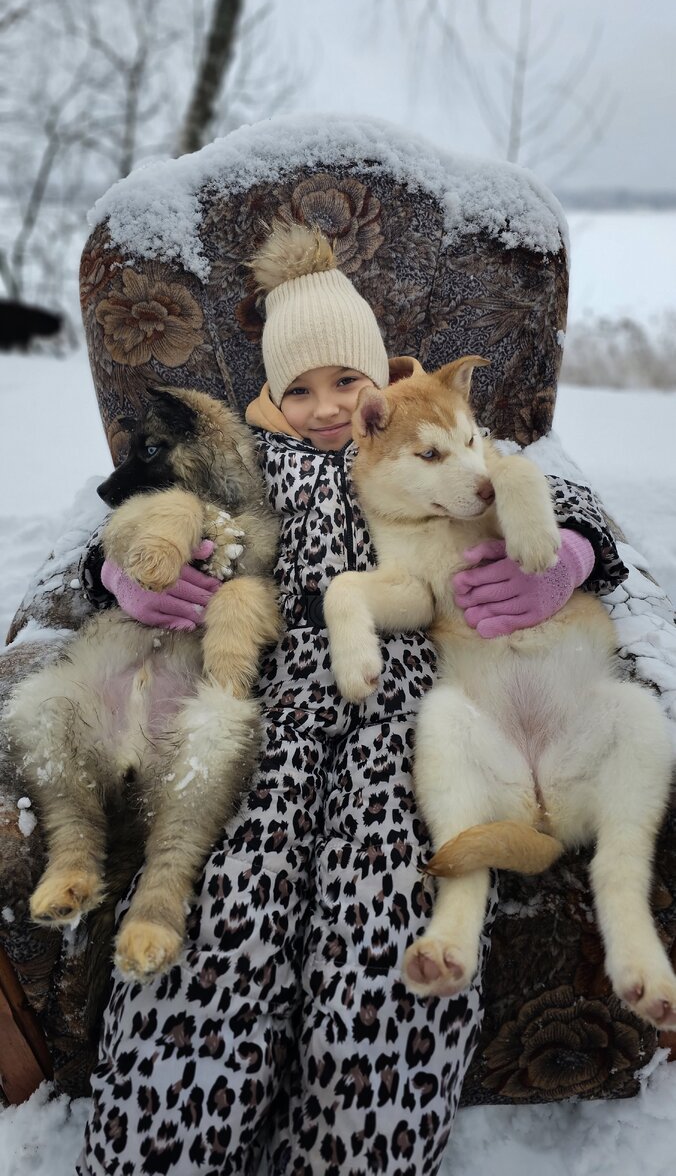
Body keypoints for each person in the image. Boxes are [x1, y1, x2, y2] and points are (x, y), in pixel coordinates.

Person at [77, 222, 626, 1176]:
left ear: (379, 375)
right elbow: (133, 513)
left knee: (386, 907)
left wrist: (573, 551)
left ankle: (362, 1148)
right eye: (298, 388)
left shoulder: (435, 419)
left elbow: (547, 489)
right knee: (225, 898)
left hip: (415, 689)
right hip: (269, 692)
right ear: (269, 394)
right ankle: (160, 1143)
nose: (328, 407)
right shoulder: (232, 454)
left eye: (345, 380)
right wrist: (121, 573)